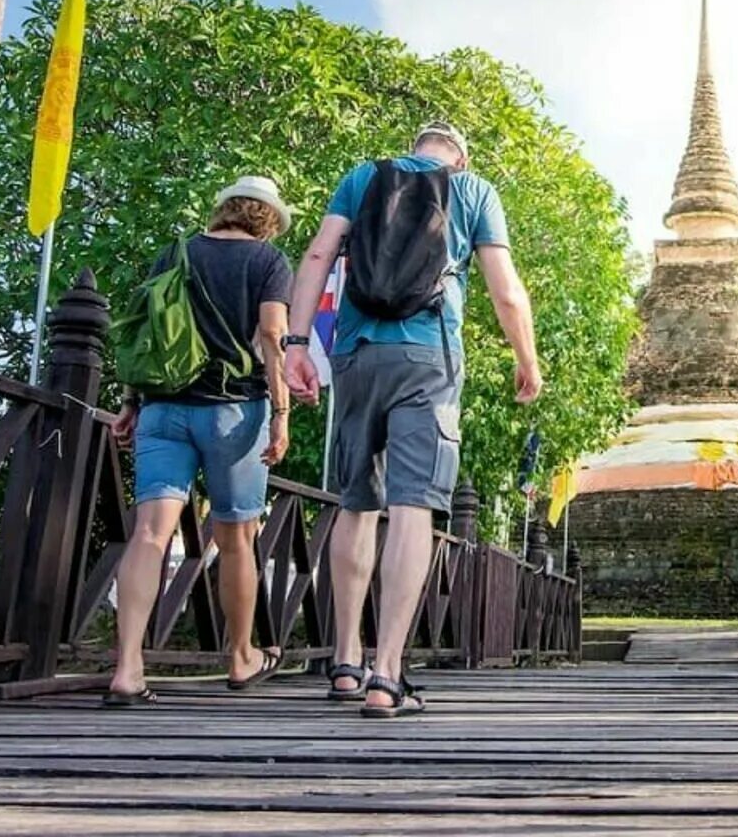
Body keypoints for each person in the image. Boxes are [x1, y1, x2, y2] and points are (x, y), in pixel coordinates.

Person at [285, 122, 541, 717]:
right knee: (412, 506)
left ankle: (345, 660)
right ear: (459, 154)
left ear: (415, 145)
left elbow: (320, 254)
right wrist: (525, 357)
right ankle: (387, 671)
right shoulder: (474, 191)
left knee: (355, 503)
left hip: (355, 353)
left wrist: (297, 343)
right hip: (429, 356)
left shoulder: (362, 176)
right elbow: (505, 290)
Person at [106, 176, 295, 705]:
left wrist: (129, 403)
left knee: (149, 535)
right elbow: (274, 339)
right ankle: (240, 658)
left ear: (225, 209)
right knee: (237, 537)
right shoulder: (268, 262)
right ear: (268, 219)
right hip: (234, 413)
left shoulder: (174, 253)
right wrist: (281, 414)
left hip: (163, 409)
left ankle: (127, 669)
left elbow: (144, 331)